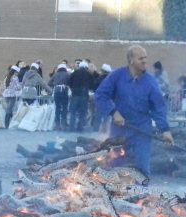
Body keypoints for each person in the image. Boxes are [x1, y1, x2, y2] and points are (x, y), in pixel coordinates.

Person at [95, 45, 173, 178]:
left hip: (142, 130)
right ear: (131, 60)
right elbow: (101, 95)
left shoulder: (151, 82)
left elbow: (158, 107)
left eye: (145, 58)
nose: (145, 61)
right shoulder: (116, 76)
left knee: (142, 166)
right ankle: (115, 193)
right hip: (120, 128)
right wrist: (114, 112)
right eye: (141, 58)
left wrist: (165, 130)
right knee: (115, 164)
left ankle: (142, 193)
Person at [67, 60, 92, 132]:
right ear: (86, 67)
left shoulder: (74, 73)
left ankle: (71, 128)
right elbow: (92, 84)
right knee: (82, 113)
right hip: (84, 95)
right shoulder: (88, 74)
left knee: (73, 112)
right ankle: (80, 128)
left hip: (75, 94)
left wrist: (73, 89)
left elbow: (69, 82)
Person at [48, 63, 70, 130]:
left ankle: (57, 124)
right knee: (65, 107)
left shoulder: (55, 74)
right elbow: (71, 82)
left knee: (57, 107)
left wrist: (55, 84)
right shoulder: (67, 74)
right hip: (64, 91)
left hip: (57, 91)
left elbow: (49, 83)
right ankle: (64, 123)